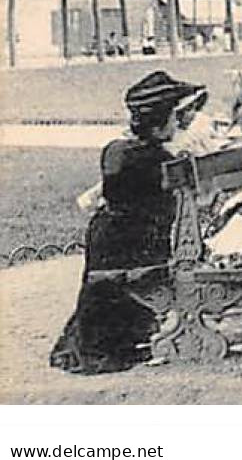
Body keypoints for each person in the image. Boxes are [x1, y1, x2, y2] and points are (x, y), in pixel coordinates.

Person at [50, 72, 208, 374]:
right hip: (129, 241)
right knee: (122, 291)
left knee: (110, 299)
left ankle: (123, 340)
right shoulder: (154, 157)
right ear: (159, 123)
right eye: (174, 119)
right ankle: (112, 347)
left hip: (113, 235)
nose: (179, 125)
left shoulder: (120, 148)